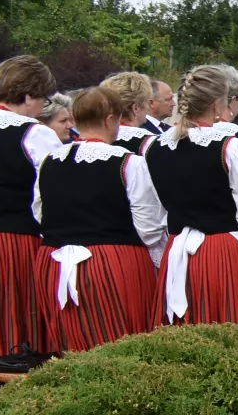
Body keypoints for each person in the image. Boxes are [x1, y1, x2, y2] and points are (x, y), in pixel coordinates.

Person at [33, 86, 167, 350]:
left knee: (70, 345)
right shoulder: (129, 162)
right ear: (110, 119)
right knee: (119, 344)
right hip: (113, 263)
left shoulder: (50, 160)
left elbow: (39, 212)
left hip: (55, 262)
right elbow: (149, 226)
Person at [144, 65, 238, 326]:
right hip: (225, 250)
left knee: (186, 330)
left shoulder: (154, 146)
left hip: (178, 250)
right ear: (217, 104)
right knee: (229, 327)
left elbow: (154, 213)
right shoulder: (233, 146)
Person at [0, 55, 60, 360]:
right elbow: (53, 194)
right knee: (13, 329)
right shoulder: (34, 134)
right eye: (43, 98)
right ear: (28, 96)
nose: (44, 106)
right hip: (12, 242)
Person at [102, 71, 161, 153]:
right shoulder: (151, 143)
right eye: (146, 103)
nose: (148, 108)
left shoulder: (97, 140)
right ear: (135, 108)